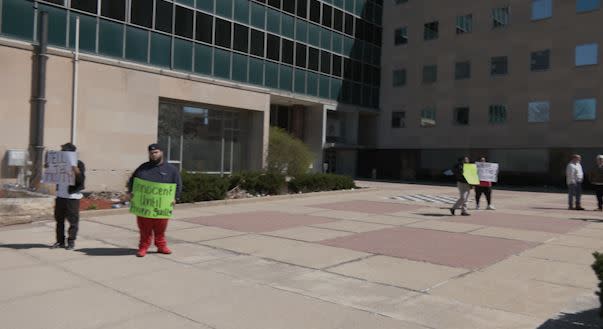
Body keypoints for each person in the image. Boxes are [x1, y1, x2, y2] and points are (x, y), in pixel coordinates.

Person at [125, 144, 182, 257]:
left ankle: (161, 246)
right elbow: (132, 181)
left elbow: (178, 185)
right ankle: (143, 247)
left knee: (160, 229)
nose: (153, 154)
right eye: (151, 153)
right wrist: (131, 192)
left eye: (156, 152)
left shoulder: (171, 170)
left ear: (161, 152)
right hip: (144, 206)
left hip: (162, 206)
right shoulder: (142, 168)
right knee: (144, 229)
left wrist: (176, 198)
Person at [51, 143, 86, 250]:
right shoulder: (59, 163)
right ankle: (60, 241)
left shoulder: (79, 164)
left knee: (73, 221)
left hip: (72, 197)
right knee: (59, 220)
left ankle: (71, 241)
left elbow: (81, 181)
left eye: (64, 151)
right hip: (60, 196)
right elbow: (52, 175)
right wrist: (50, 167)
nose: (62, 152)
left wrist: (75, 169)